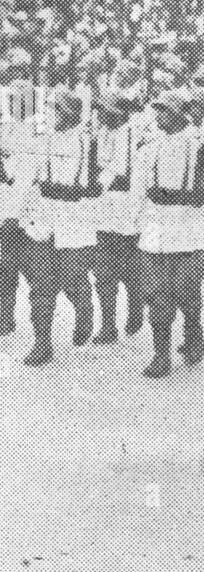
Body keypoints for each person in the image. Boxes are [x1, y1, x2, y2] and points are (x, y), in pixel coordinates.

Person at [17, 88, 101, 367]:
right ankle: (42, 343)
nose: (50, 115)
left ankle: (83, 306)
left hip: (75, 220)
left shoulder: (87, 142)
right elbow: (32, 180)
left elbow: (97, 185)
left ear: (68, 113)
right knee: (41, 284)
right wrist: (26, 214)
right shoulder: (44, 140)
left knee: (70, 277)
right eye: (49, 109)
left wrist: (80, 192)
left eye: (55, 110)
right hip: (44, 218)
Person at [128, 89, 204, 377]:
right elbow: (138, 192)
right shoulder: (150, 148)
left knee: (187, 292)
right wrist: (133, 226)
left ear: (181, 114)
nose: (159, 116)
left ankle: (194, 334)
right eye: (157, 110)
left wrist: (178, 197)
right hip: (155, 234)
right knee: (157, 296)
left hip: (190, 234)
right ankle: (161, 355)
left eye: (165, 111)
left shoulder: (198, 147)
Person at [92, 92, 145, 343]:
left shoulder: (130, 133)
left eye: (105, 109)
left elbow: (121, 171)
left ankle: (135, 307)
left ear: (119, 112)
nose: (101, 113)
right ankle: (108, 324)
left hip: (126, 211)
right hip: (102, 209)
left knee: (128, 269)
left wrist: (97, 183)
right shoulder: (101, 132)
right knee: (103, 270)